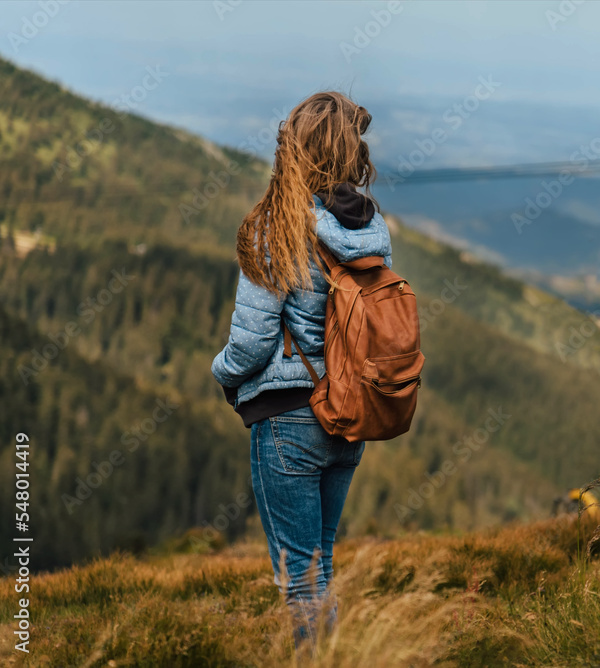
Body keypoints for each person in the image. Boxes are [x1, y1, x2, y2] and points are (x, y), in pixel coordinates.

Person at [210, 91, 391, 648]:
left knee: (299, 583)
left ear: (296, 151)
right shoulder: (371, 231)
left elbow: (252, 342)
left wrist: (221, 373)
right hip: (349, 419)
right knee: (322, 567)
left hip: (290, 420)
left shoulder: (277, 228)